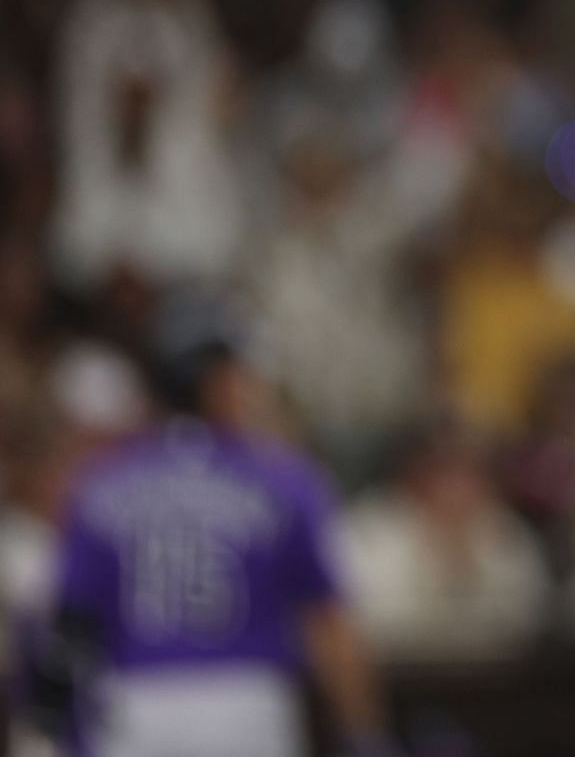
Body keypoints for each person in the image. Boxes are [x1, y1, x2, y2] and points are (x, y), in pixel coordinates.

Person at [21, 292, 395, 757]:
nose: (250, 386)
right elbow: (330, 626)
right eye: (239, 373)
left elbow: (70, 629)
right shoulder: (283, 479)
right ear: (210, 380)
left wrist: (50, 729)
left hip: (134, 708)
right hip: (246, 705)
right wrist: (365, 732)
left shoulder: (101, 483)